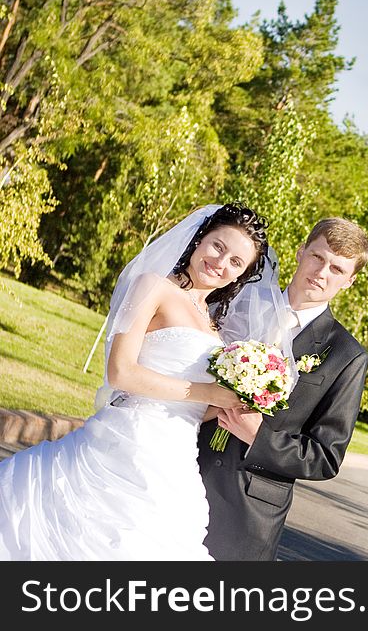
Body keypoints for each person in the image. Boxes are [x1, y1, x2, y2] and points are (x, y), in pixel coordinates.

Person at [0, 203, 273, 560]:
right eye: (218, 246)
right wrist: (207, 391)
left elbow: (196, 406)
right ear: (200, 237)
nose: (221, 263)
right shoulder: (154, 286)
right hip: (127, 441)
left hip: (176, 459)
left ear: (240, 276)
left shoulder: (214, 327)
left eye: (236, 262)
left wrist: (234, 401)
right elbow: (121, 372)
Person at [197, 217, 368, 561]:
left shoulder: (347, 355)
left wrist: (258, 436)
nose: (322, 272)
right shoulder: (233, 305)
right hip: (182, 464)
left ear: (349, 282)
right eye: (318, 257)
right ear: (300, 252)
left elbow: (325, 457)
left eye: (337, 269)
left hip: (248, 511)